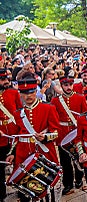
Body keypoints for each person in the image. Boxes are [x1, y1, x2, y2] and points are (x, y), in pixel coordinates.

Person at [6, 77, 61, 202]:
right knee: (26, 188)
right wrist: (12, 154)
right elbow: (16, 137)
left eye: (31, 92)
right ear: (20, 94)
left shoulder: (48, 108)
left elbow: (56, 132)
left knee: (46, 187)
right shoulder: (17, 113)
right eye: (24, 93)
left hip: (44, 152)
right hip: (23, 154)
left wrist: (46, 137)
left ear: (35, 91)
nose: (28, 96)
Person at [50, 76, 87, 195]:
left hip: (77, 132)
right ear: (61, 86)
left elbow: (85, 116)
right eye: (66, 85)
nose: (69, 87)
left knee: (78, 157)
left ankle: (79, 179)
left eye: (70, 85)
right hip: (63, 133)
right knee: (65, 161)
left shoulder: (80, 98)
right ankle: (68, 183)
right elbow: (53, 118)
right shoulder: (55, 100)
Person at [0, 68, 21, 202]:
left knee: (18, 163)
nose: (7, 81)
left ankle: (21, 189)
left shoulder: (14, 93)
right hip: (0, 136)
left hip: (14, 133)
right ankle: (1, 193)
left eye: (7, 78)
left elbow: (19, 112)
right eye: (3, 79)